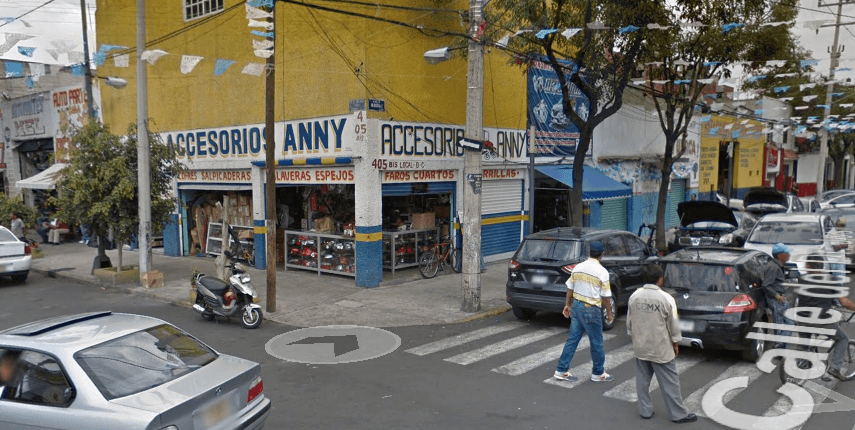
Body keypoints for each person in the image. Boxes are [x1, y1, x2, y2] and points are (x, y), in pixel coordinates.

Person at [627, 265, 697, 423]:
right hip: (660, 347)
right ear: (660, 280)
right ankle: (678, 414)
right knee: (670, 382)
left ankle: (645, 411)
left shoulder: (634, 296)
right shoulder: (666, 298)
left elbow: (629, 322)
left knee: (642, 379)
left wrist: (634, 338)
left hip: (641, 345)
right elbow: (673, 325)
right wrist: (676, 343)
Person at [553, 240, 615, 382]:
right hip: (591, 309)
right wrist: (609, 313)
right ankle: (598, 373)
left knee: (572, 340)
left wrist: (567, 305)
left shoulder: (578, 267)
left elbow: (570, 288)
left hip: (577, 306)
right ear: (602, 254)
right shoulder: (602, 272)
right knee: (597, 341)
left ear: (589, 252)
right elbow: (606, 297)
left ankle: (561, 370)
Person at [796, 255, 855, 381]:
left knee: (804, 344)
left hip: (802, 319)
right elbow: (844, 303)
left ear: (809, 266)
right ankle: (835, 367)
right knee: (842, 339)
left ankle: (802, 363)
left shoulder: (801, 279)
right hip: (821, 321)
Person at [763, 243, 795, 347]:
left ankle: (780, 345)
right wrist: (777, 296)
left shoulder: (778, 266)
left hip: (780, 299)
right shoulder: (773, 267)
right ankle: (779, 344)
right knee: (783, 324)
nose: (789, 255)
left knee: (787, 323)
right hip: (776, 300)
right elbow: (766, 285)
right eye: (787, 253)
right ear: (780, 255)